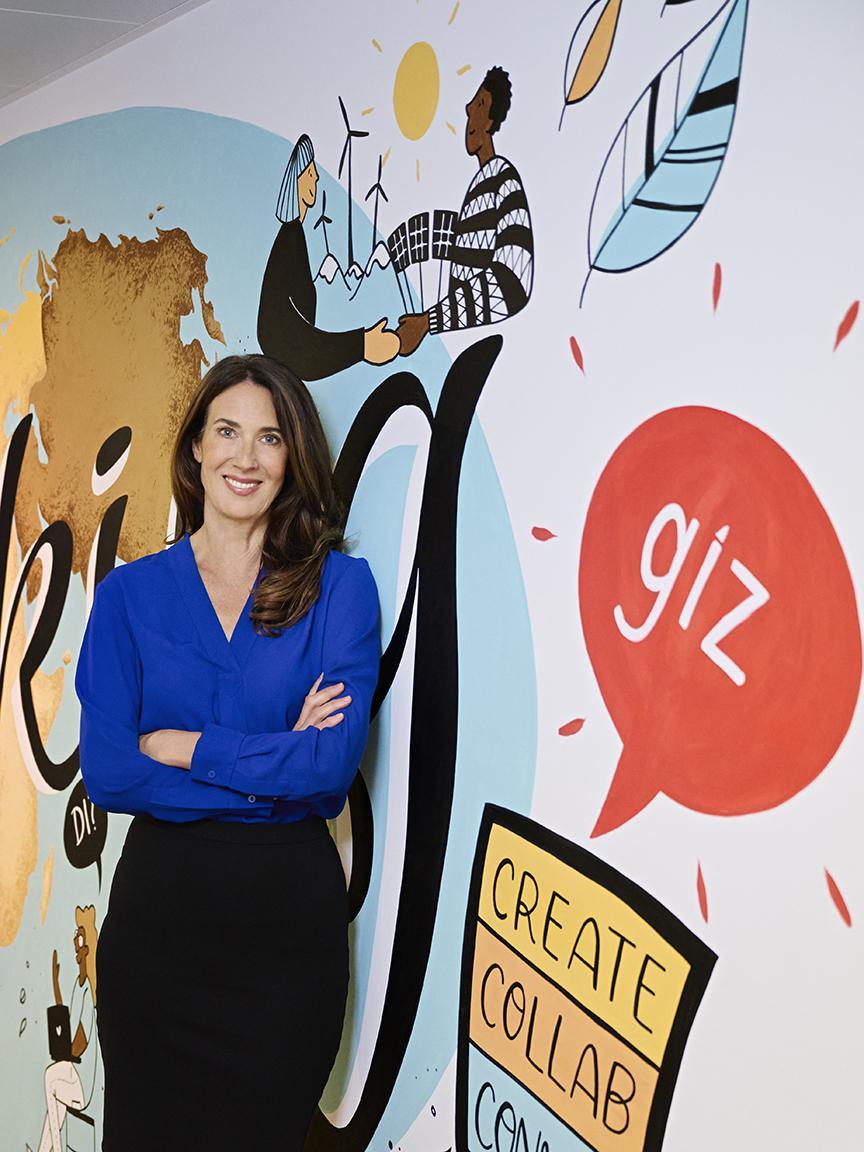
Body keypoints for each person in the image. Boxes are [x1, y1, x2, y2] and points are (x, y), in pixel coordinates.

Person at [74, 354, 380, 1151]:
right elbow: (109, 772)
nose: (246, 458)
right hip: (161, 937)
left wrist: (186, 748)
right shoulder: (128, 598)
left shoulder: (341, 590)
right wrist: (276, 765)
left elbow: (330, 768)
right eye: (228, 432)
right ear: (196, 451)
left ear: (293, 458)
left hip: (286, 946)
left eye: (269, 438)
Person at [396, 67, 534, 356]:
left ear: (491, 121)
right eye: (472, 104)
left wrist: (427, 322)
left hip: (484, 349)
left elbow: (512, 280)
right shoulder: (481, 184)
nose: (469, 109)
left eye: (480, 104)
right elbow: (460, 240)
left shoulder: (503, 180)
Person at [258, 133, 400, 378]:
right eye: (311, 174)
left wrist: (362, 345)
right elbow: (290, 339)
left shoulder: (294, 237)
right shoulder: (290, 240)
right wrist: (363, 345)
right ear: (298, 179)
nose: (316, 180)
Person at [37, 907, 98, 1152]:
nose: (75, 944)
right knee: (55, 1092)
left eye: (79, 937)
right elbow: (65, 1018)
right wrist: (54, 980)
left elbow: (80, 1043)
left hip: (83, 1081)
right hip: (73, 1072)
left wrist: (65, 1051)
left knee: (51, 1077)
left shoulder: (90, 990)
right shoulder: (77, 984)